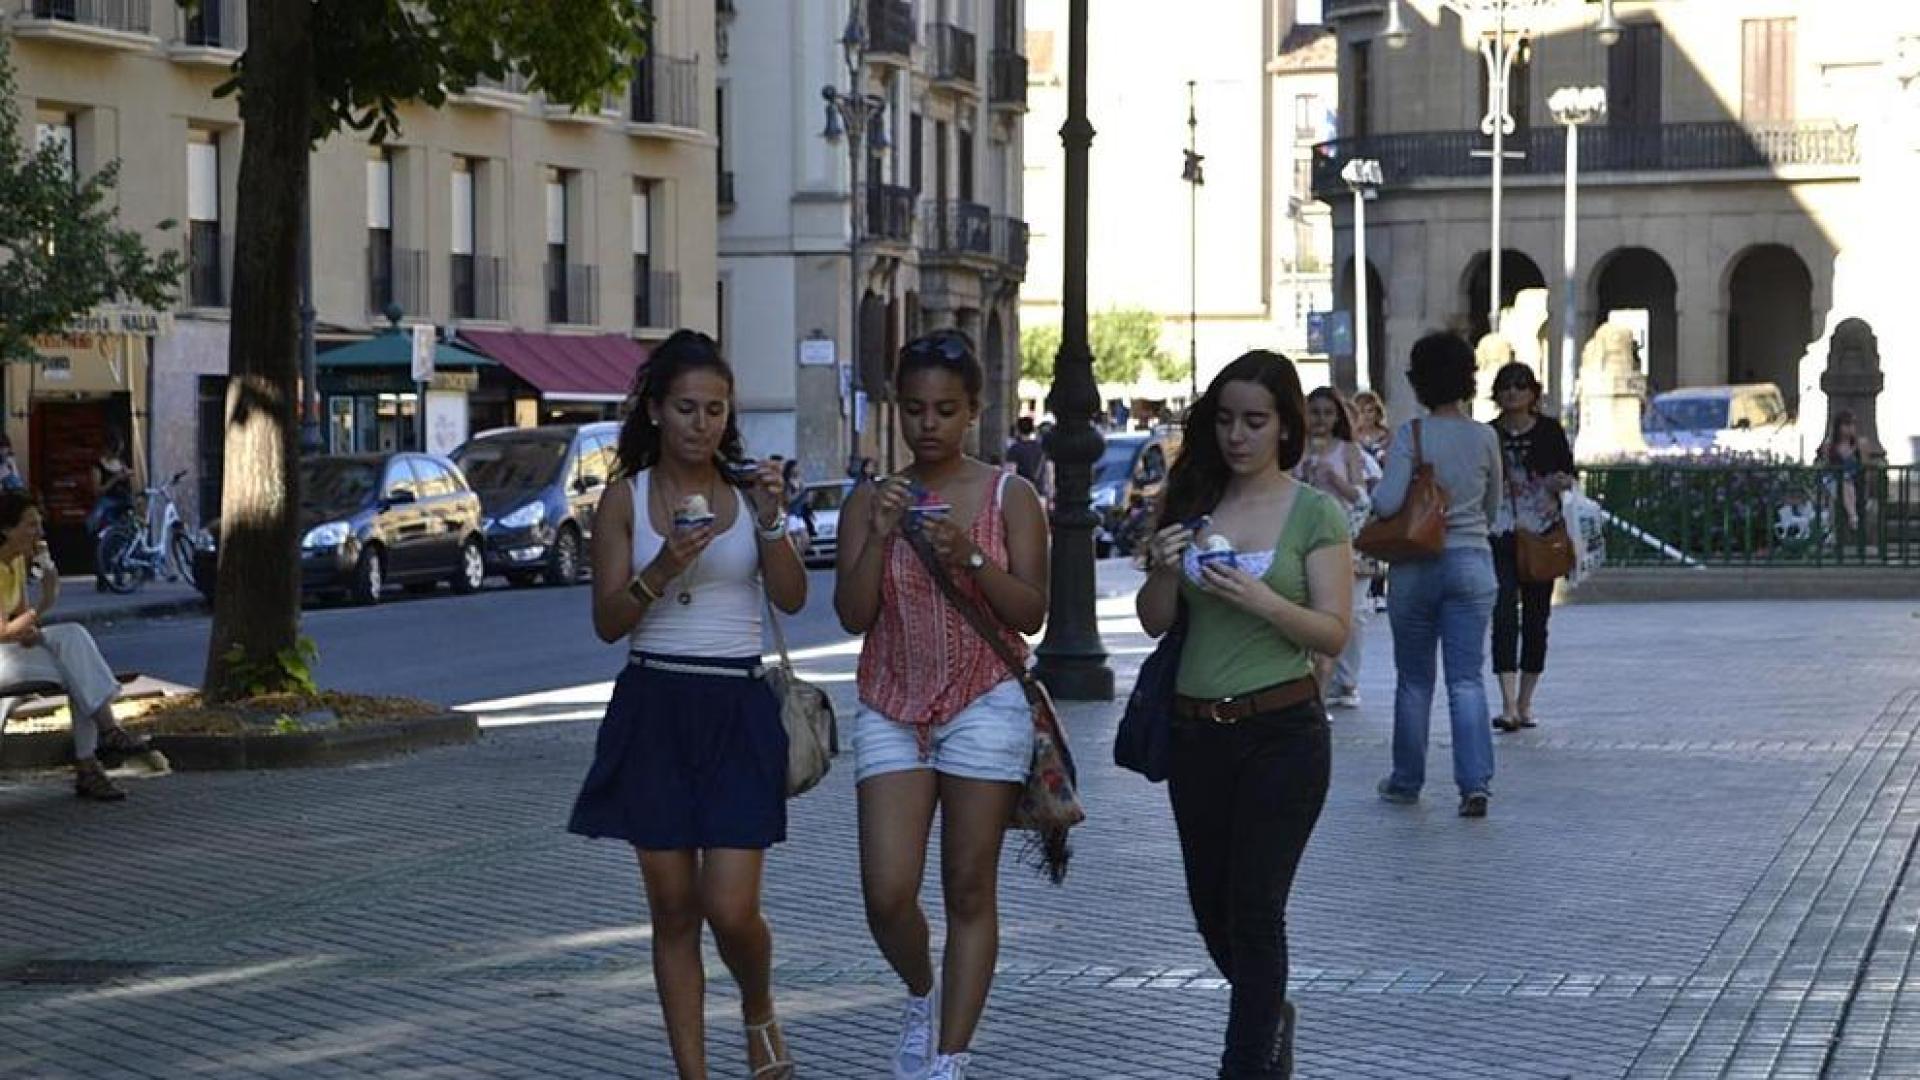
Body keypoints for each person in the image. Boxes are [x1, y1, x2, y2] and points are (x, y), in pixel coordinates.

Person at [566, 330, 809, 1080]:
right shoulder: (625, 499)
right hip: (656, 705)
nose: (701, 424)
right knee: (674, 910)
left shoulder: (746, 494)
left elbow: (796, 600)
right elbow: (608, 622)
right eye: (685, 408)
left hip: (736, 707)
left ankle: (758, 1005)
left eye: (715, 409)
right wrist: (666, 563)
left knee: (730, 909)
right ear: (655, 411)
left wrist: (770, 522)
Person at [835, 329, 1050, 1080]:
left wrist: (974, 557)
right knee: (887, 892)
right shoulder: (872, 499)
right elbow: (853, 615)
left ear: (974, 411)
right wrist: (878, 535)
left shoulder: (1009, 495)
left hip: (984, 701)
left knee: (967, 883)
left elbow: (1031, 613)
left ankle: (949, 1060)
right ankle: (923, 995)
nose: (929, 424)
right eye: (915, 409)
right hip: (892, 701)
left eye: (946, 410)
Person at [1137, 350, 1352, 1079]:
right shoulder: (1192, 498)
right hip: (1198, 736)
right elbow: (1153, 621)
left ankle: (1246, 1065)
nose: (1238, 436)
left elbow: (1333, 632)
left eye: (1255, 421)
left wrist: (1264, 602)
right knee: (1213, 913)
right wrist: (1165, 568)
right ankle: (1269, 1012)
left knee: (1256, 909)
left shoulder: (1315, 511)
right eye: (1226, 420)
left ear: (1285, 427)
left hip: (1282, 735)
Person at [1374, 332, 1505, 818]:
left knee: (1413, 680)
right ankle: (1475, 785)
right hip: (1471, 562)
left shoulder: (1412, 435)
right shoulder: (1485, 436)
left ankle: (1406, 780)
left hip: (1414, 566)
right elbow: (1493, 506)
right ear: (1468, 379)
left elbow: (1387, 502)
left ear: (1417, 382)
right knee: (1467, 679)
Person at [0, 490, 153, 800]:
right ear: (6, 530)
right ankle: (93, 757)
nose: (39, 533)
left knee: (73, 639)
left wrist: (44, 584)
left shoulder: (16, 563)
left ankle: (99, 748)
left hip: (12, 649)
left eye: (40, 524)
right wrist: (44, 603)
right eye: (30, 525)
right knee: (77, 669)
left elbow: (23, 622)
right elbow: (3, 631)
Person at [1487, 363, 1576, 733]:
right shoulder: (1488, 433)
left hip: (1541, 532)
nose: (1512, 393)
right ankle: (1507, 704)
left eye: (1520, 386)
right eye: (1506, 386)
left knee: (1537, 619)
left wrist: (1559, 481)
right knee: (1504, 614)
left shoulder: (1550, 431)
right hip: (1500, 531)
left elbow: (1569, 474)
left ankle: (1525, 702)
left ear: (1533, 393)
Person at [1296, 386, 1373, 710]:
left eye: (1328, 413)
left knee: (1352, 615)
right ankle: (1315, 681)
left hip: (1346, 541)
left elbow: (1363, 499)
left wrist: (1335, 480)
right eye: (1315, 413)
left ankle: (1347, 679)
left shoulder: (1348, 451)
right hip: (1306, 539)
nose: (1321, 420)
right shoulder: (1296, 452)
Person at [1352, 391, 1391, 614]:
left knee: (1379, 543)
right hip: (1360, 493)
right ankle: (1367, 588)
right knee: (1363, 541)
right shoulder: (1351, 438)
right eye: (1362, 411)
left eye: (1370, 410)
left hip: (1382, 490)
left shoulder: (1387, 435)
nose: (1367, 415)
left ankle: (1378, 590)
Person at [1817, 410, 1884, 539]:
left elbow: (1865, 466)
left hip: (1854, 481)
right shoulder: (1830, 445)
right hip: (1833, 480)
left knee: (1846, 485)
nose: (1850, 428)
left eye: (1853, 424)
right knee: (1841, 486)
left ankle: (1848, 521)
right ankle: (1852, 517)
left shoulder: (1860, 444)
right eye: (1846, 424)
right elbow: (1826, 465)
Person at [1004, 416, 1053, 502]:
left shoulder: (1014, 449)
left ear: (1018, 430)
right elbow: (1049, 471)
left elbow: (1011, 473)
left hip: (1021, 494)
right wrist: (1050, 494)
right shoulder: (1041, 448)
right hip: (1039, 494)